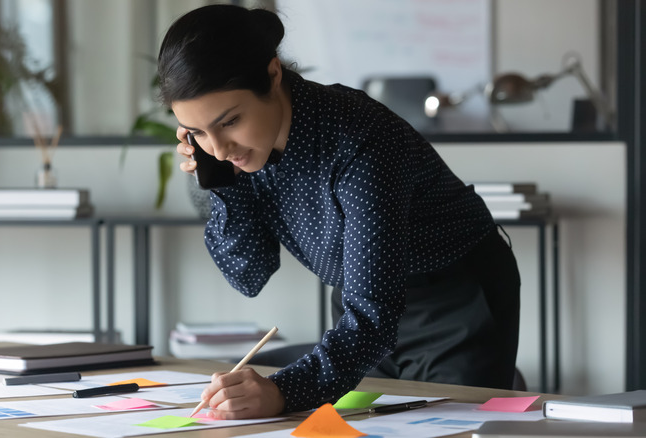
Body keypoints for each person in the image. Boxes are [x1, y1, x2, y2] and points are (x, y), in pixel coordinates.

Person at [157, 4, 520, 420]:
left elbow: (373, 318)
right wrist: (219, 181)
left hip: (454, 296)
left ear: (273, 76)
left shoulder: (360, 137)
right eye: (198, 132)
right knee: (355, 429)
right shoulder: (231, 156)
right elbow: (248, 274)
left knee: (444, 429)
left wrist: (280, 392)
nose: (220, 148)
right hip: (360, 306)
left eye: (230, 121)